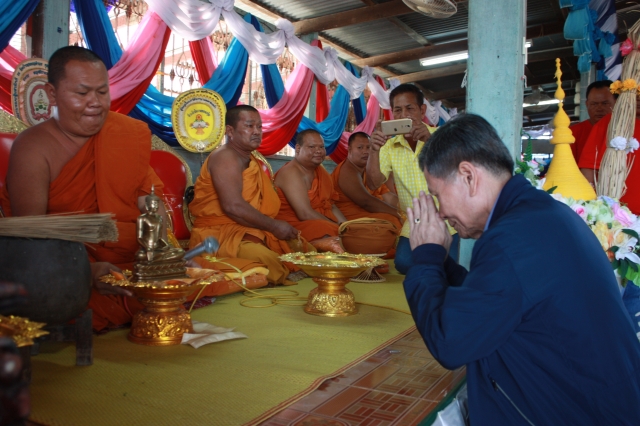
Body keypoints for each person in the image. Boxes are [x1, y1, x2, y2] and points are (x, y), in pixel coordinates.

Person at [404, 113, 640, 425]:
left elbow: (451, 343)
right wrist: (439, 256)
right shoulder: (541, 215)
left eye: (437, 195)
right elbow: (492, 298)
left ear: (468, 177)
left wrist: (426, 258)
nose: (441, 212)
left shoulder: (513, 239)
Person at [0, 46, 172, 331]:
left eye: (102, 92)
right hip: (65, 266)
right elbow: (31, 236)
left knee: (181, 282)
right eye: (82, 93)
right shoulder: (33, 148)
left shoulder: (124, 135)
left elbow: (150, 204)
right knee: (57, 303)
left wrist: (159, 256)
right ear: (52, 94)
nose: (95, 103)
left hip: (134, 262)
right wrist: (86, 272)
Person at [188, 105, 309, 285]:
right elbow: (232, 206)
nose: (257, 132)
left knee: (304, 248)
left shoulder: (250, 160)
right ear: (230, 131)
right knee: (266, 259)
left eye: (259, 127)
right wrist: (274, 226)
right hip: (218, 235)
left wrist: (273, 227)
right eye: (249, 126)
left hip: (247, 229)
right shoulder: (225, 157)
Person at [366, 83, 458, 273]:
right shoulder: (388, 146)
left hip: (448, 217)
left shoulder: (441, 136)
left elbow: (455, 171)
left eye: (410, 108)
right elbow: (373, 183)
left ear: (422, 110)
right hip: (415, 221)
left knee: (454, 263)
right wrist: (373, 151)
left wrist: (429, 142)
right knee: (404, 263)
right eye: (398, 110)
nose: (404, 115)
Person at [274, 129, 346, 252]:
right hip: (294, 226)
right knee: (333, 234)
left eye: (321, 147)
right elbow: (305, 214)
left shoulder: (321, 172)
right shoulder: (290, 172)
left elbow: (331, 205)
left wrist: (346, 226)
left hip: (319, 222)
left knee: (355, 233)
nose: (318, 151)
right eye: (312, 147)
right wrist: (339, 229)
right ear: (298, 148)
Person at [330, 131, 402, 232]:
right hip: (350, 217)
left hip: (368, 213)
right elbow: (366, 202)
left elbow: (388, 197)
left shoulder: (370, 171)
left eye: (368, 147)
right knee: (392, 221)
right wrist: (398, 213)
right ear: (349, 149)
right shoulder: (347, 171)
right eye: (360, 148)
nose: (365, 152)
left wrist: (407, 208)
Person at [570, 80, 616, 162]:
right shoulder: (573, 133)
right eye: (594, 104)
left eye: (605, 103)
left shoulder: (627, 130)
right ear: (587, 104)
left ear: (616, 103)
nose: (599, 108)